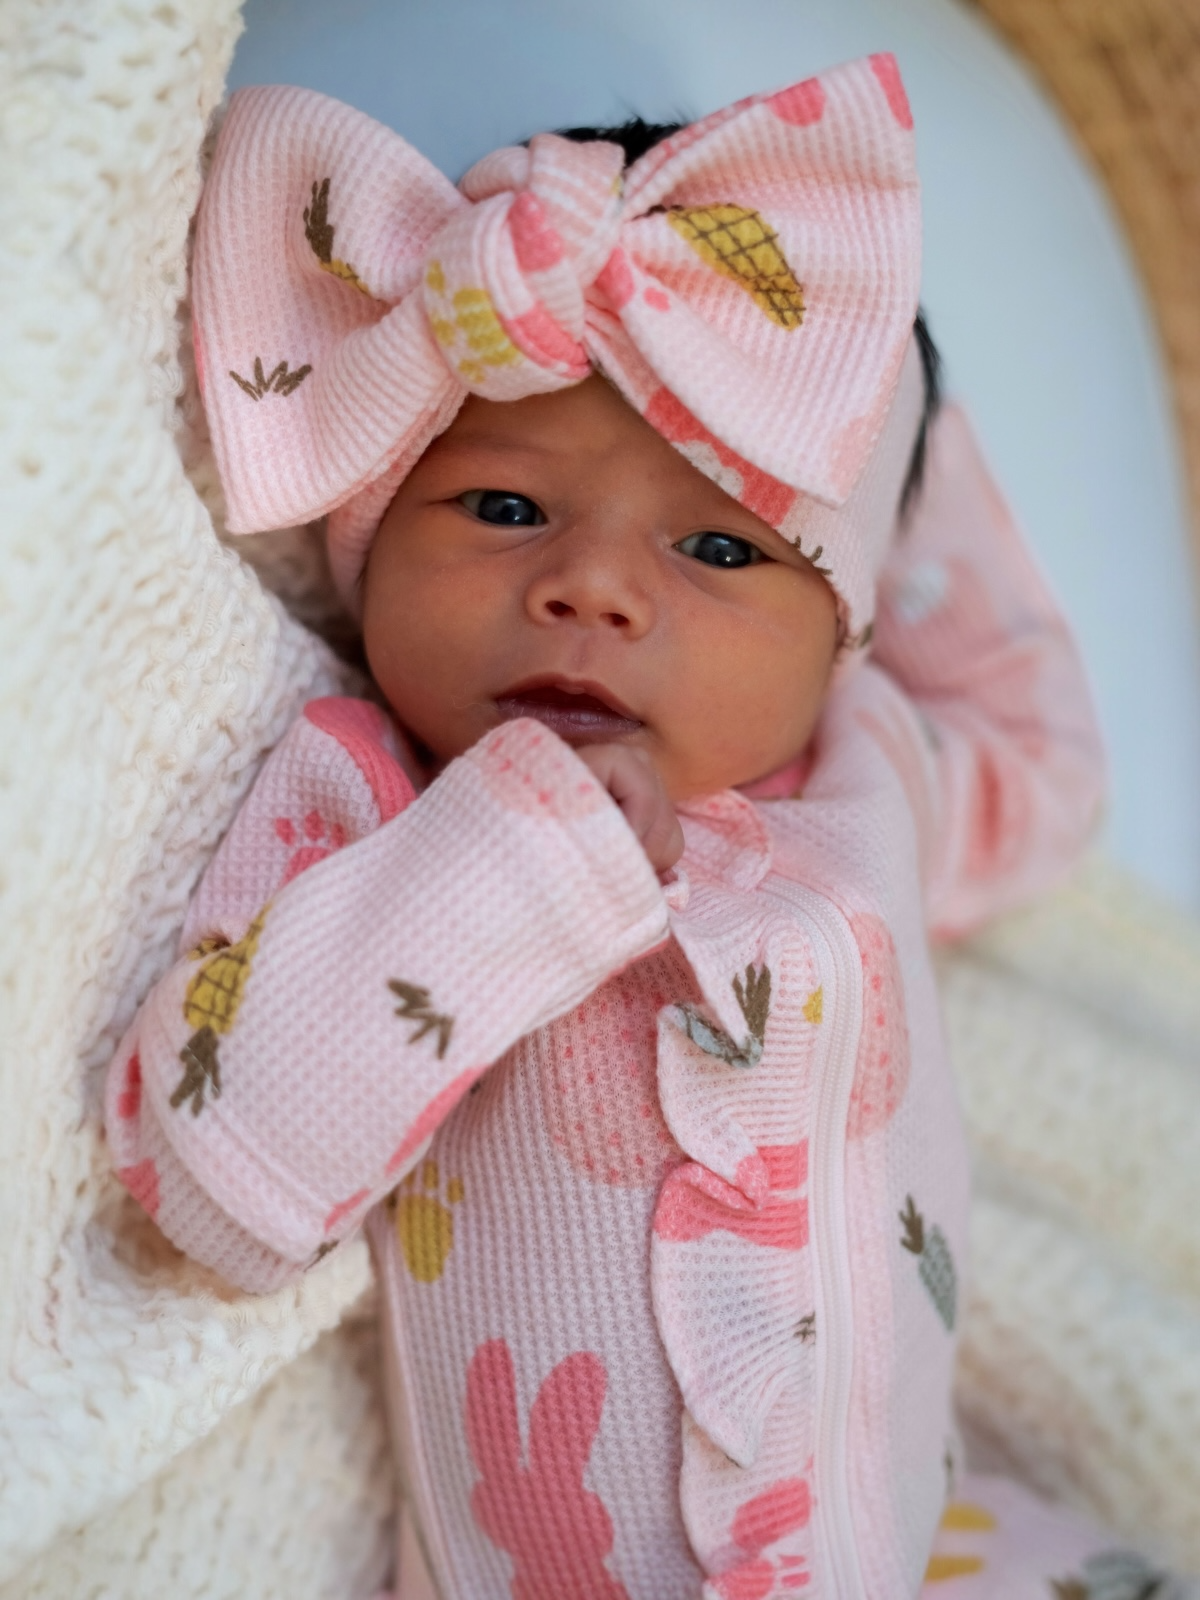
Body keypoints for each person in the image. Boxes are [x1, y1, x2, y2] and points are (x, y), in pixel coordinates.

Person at [105, 56, 1160, 1600]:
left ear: (844, 625)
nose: (593, 587)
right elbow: (210, 1184)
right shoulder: (369, 806)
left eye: (723, 545)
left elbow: (1050, 770)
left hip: (926, 1557)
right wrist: (509, 862)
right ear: (367, 542)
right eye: (504, 509)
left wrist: (894, 428)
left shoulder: (876, 769)